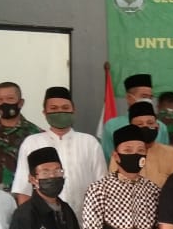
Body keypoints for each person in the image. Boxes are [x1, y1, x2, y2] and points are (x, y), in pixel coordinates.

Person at [11, 86, 106, 216]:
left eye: (65, 108)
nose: (60, 112)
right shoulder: (32, 142)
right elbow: (23, 189)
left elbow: (102, 186)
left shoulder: (89, 142)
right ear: (45, 112)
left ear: (73, 110)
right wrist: (28, 220)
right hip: (43, 219)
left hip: (86, 218)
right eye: (54, 108)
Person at [0, 81, 42, 192]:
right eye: (0, 99)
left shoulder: (36, 134)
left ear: (21, 103)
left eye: (10, 99)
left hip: (26, 196)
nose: (4, 103)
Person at [108, 101, 173, 188]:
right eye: (139, 124)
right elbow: (114, 186)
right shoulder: (121, 156)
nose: (145, 127)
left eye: (150, 123)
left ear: (158, 126)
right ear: (131, 128)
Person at [101, 74, 172, 160]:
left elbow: (165, 156)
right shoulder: (112, 126)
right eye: (144, 97)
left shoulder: (161, 127)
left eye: (150, 97)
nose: (148, 101)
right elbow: (107, 158)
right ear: (129, 98)